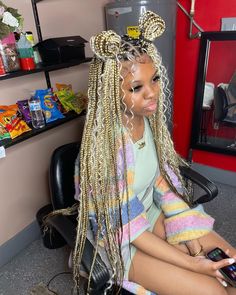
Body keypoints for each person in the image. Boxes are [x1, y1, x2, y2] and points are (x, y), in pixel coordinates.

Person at [72, 10, 236, 295]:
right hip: (121, 240)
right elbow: (128, 230)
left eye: (155, 79)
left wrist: (189, 236)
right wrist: (189, 262)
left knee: (229, 261)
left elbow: (163, 182)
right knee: (215, 291)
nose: (152, 93)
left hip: (151, 216)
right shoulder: (105, 151)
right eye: (137, 87)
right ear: (111, 92)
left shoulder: (147, 123)